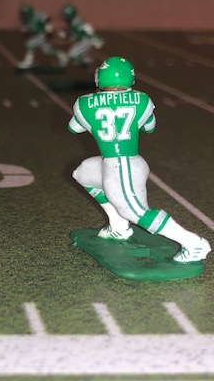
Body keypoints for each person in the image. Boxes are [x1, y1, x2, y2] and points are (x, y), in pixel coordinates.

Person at [68, 56, 210, 263]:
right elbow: (149, 127)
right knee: (83, 173)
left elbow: (74, 128)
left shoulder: (84, 103)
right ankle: (118, 226)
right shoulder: (142, 99)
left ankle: (193, 243)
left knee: (135, 212)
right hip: (120, 162)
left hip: (122, 166)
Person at [16, 3, 67, 69]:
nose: (23, 15)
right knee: (48, 51)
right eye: (22, 13)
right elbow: (27, 30)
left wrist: (48, 30)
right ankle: (62, 56)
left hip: (43, 34)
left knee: (30, 44)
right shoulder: (25, 20)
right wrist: (26, 35)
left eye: (25, 13)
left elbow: (47, 19)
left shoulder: (37, 15)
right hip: (37, 34)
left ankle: (28, 63)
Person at [58, 3, 104, 68]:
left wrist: (96, 38)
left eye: (65, 14)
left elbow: (87, 28)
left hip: (87, 40)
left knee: (73, 54)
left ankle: (89, 64)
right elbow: (74, 34)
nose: (64, 16)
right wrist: (67, 34)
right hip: (83, 40)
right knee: (75, 55)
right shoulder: (73, 22)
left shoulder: (77, 22)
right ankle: (88, 63)